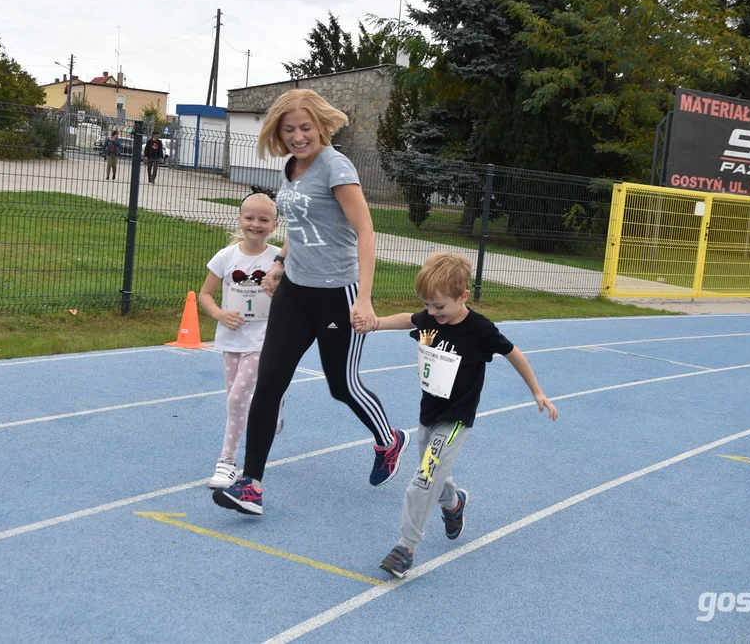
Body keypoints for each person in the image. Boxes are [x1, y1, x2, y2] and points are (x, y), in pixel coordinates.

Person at [211, 89, 409, 517]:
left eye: (305, 127)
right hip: (294, 292)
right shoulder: (291, 167)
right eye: (289, 129)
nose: (298, 136)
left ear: (321, 125)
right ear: (277, 132)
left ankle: (389, 440)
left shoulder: (336, 166)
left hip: (337, 295)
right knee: (269, 382)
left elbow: (366, 232)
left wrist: (367, 299)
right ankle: (251, 484)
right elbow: (301, 225)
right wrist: (281, 261)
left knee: (342, 386)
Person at [354, 252, 559, 579]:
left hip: (456, 419)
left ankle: (405, 547)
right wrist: (376, 323)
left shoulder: (479, 329)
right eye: (428, 306)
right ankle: (453, 503)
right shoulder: (430, 317)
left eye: (439, 306)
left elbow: (512, 353)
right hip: (428, 414)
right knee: (434, 475)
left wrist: (536, 390)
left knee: (422, 480)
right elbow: (411, 318)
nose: (433, 313)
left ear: (463, 297)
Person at [198, 192, 282, 490]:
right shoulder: (225, 256)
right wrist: (220, 314)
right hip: (231, 338)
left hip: (263, 339)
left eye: (263, 219)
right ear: (239, 219)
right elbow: (204, 294)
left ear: (274, 225)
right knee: (234, 398)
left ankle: (227, 461)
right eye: (250, 218)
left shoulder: (277, 258)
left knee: (237, 399)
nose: (255, 224)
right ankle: (273, 406)